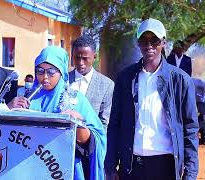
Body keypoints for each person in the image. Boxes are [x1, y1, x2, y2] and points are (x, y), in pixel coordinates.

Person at [105, 18, 199, 180]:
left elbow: (190, 129)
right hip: (131, 166)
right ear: (138, 43)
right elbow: (114, 124)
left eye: (154, 40)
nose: (148, 45)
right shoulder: (125, 78)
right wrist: (111, 166)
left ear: (163, 42)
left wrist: (189, 173)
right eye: (143, 40)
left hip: (165, 166)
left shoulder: (180, 80)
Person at [28, 46, 106, 180]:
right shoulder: (27, 98)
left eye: (51, 72)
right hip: (30, 169)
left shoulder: (75, 99)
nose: (45, 77)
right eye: (40, 71)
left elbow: (94, 142)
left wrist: (79, 124)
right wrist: (9, 108)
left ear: (62, 72)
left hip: (62, 170)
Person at [69, 35, 114, 130]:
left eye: (85, 59)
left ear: (94, 57)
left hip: (90, 141)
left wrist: (89, 141)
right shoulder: (64, 80)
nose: (81, 63)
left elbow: (104, 122)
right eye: (77, 58)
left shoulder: (107, 85)